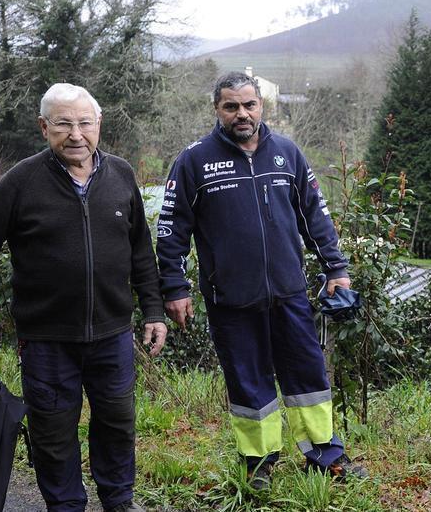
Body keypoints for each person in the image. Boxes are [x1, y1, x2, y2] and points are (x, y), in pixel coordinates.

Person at [0, 82, 166, 512]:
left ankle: (118, 501)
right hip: (47, 340)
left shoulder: (121, 174)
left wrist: (154, 310)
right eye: (63, 124)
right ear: (43, 127)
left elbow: (141, 250)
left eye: (85, 123)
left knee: (118, 425)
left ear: (99, 123)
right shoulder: (22, 181)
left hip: (113, 336)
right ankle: (65, 507)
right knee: (52, 434)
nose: (76, 134)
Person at [156, 70, 367, 489]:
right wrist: (175, 288)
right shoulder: (194, 161)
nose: (242, 113)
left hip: (289, 293)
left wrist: (336, 269)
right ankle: (258, 465)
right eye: (231, 106)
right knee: (249, 383)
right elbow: (171, 230)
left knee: (308, 377)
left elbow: (316, 217)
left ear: (261, 106)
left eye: (249, 105)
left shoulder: (287, 153)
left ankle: (325, 456)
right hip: (230, 299)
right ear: (217, 109)